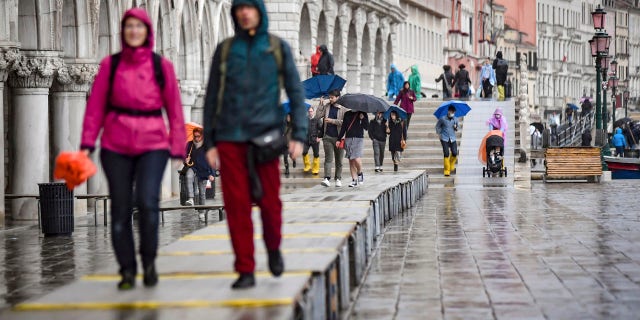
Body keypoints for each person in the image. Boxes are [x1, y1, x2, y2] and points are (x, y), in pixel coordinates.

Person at [203, 0, 307, 289]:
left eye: (250, 7)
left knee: (270, 204)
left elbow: (296, 92)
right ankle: (245, 269)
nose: (245, 13)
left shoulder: (276, 48)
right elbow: (212, 98)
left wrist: (298, 133)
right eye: (240, 8)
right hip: (230, 138)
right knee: (236, 206)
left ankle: (273, 248)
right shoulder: (225, 50)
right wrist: (210, 142)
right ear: (235, 13)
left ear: (259, 12)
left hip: (266, 138)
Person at [80, 8, 186, 290]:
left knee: (148, 203)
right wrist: (87, 143)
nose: (134, 30)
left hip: (153, 144)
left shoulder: (161, 66)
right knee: (120, 209)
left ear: (147, 31)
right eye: (129, 26)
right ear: (123, 30)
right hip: (115, 145)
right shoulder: (110, 65)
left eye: (139, 26)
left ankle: (149, 261)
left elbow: (175, 111)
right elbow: (95, 108)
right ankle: (127, 269)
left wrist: (177, 148)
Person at [316, 89, 347, 187]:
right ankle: (327, 178)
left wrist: (332, 121)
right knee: (328, 158)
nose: (330, 99)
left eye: (332, 97)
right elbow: (317, 116)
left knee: (339, 160)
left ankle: (338, 178)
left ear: (338, 97)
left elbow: (344, 123)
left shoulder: (343, 109)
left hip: (339, 138)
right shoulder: (327, 106)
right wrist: (321, 104)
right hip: (327, 137)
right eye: (329, 97)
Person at [184, 128, 216, 219]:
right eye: (195, 136)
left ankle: (201, 212)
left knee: (202, 193)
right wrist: (186, 160)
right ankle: (190, 198)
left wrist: (212, 174)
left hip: (204, 170)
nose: (196, 138)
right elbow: (185, 158)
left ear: (202, 136)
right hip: (193, 167)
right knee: (188, 176)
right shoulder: (189, 145)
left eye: (198, 136)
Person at [337, 111, 369, 187]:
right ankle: (354, 180)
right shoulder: (347, 113)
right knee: (351, 160)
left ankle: (360, 172)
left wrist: (363, 118)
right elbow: (343, 127)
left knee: (356, 158)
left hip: (358, 138)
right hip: (348, 138)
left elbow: (367, 127)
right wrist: (339, 139)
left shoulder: (363, 113)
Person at [435, 105, 459, 176]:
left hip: (452, 138)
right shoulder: (442, 119)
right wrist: (439, 134)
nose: (452, 113)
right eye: (451, 111)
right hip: (444, 138)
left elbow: (457, 128)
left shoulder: (455, 119)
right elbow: (437, 126)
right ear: (448, 111)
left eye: (453, 112)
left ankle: (451, 164)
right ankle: (446, 170)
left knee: (454, 153)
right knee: (446, 153)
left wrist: (455, 127)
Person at [303, 107, 322, 175]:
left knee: (316, 154)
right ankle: (307, 166)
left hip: (315, 139)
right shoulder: (305, 119)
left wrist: (319, 137)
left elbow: (321, 128)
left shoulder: (317, 119)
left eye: (311, 111)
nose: (310, 112)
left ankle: (315, 169)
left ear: (313, 111)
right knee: (304, 152)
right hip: (306, 139)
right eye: (309, 111)